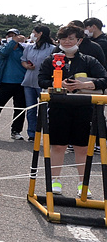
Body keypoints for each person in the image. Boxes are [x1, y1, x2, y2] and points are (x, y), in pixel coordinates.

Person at [36, 24, 107, 195]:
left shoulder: (89, 60)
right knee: (58, 145)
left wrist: (85, 84)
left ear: (79, 40)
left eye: (71, 38)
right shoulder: (50, 59)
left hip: (83, 108)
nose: (67, 42)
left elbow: (104, 79)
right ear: (58, 40)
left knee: (82, 147)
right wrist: (54, 83)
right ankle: (55, 181)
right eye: (63, 38)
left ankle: (83, 184)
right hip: (58, 107)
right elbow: (41, 79)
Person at [0, 29, 28, 140]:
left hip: (21, 83)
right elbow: (4, 53)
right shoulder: (1, 48)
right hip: (6, 82)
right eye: (10, 36)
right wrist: (13, 41)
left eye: (15, 35)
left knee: (20, 109)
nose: (12, 37)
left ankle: (16, 130)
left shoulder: (24, 49)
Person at [21, 24, 54, 142]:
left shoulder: (52, 48)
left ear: (40, 34)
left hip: (43, 84)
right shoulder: (29, 47)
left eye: (34, 32)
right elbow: (23, 61)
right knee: (30, 109)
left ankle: (47, 133)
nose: (32, 34)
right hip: (29, 82)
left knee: (46, 110)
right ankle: (32, 134)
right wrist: (27, 66)